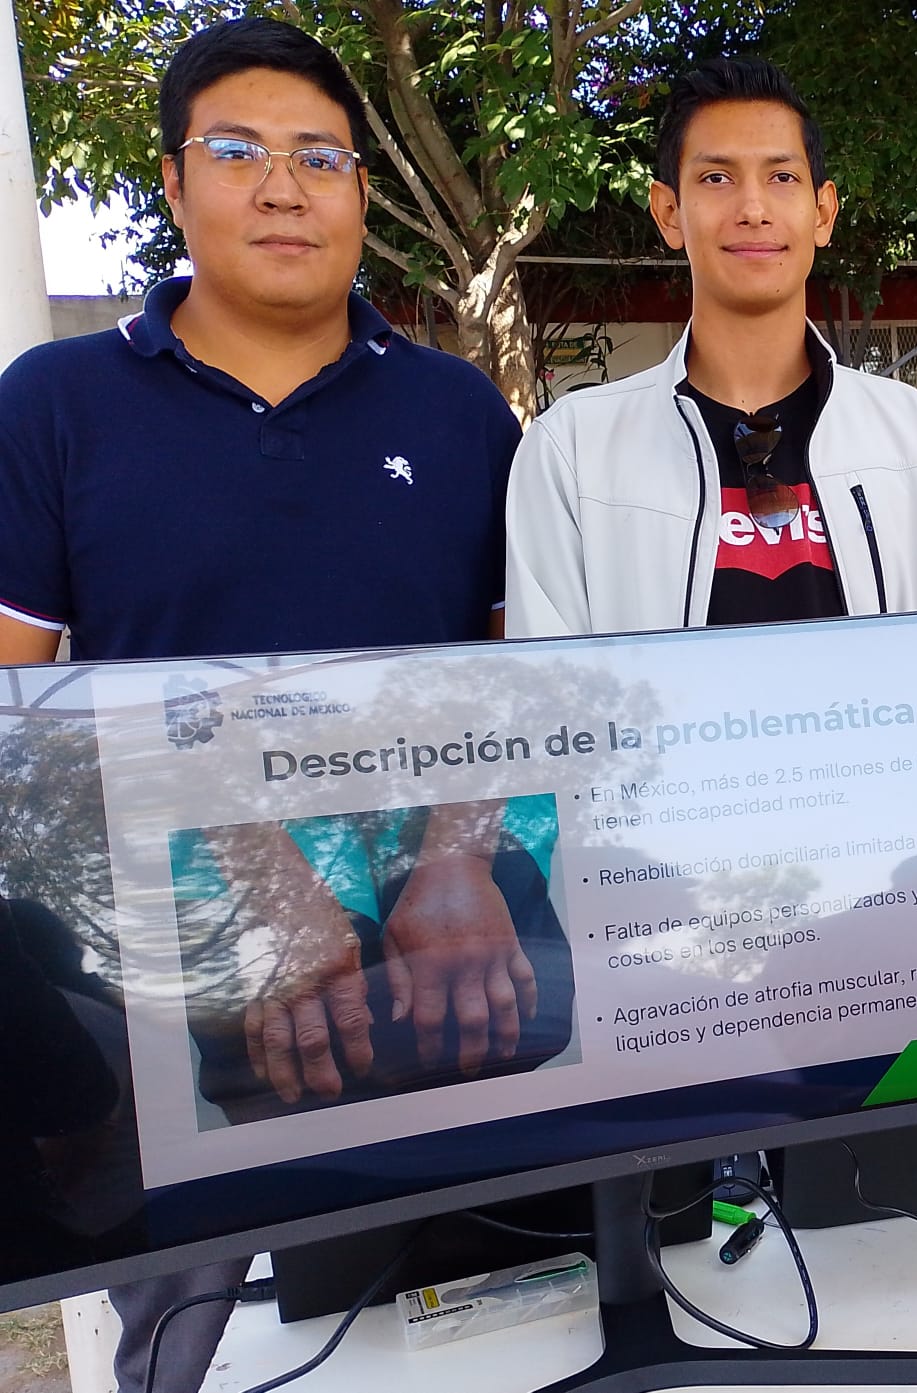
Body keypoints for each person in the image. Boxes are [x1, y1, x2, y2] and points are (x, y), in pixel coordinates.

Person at [0, 18, 530, 1390]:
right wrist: (249, 877)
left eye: (319, 157)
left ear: (361, 192)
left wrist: (460, 854)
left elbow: (507, 679)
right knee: (209, 1356)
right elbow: (23, 716)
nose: (283, 187)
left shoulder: (461, 412)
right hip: (177, 998)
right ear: (174, 185)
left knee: (496, 1313)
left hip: (441, 960)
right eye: (237, 152)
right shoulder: (53, 407)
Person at [503, 57, 917, 637]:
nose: (753, 210)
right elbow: (557, 704)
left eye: (782, 177)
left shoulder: (914, 437)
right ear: (668, 212)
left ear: (823, 211)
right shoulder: (574, 451)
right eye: (716, 178)